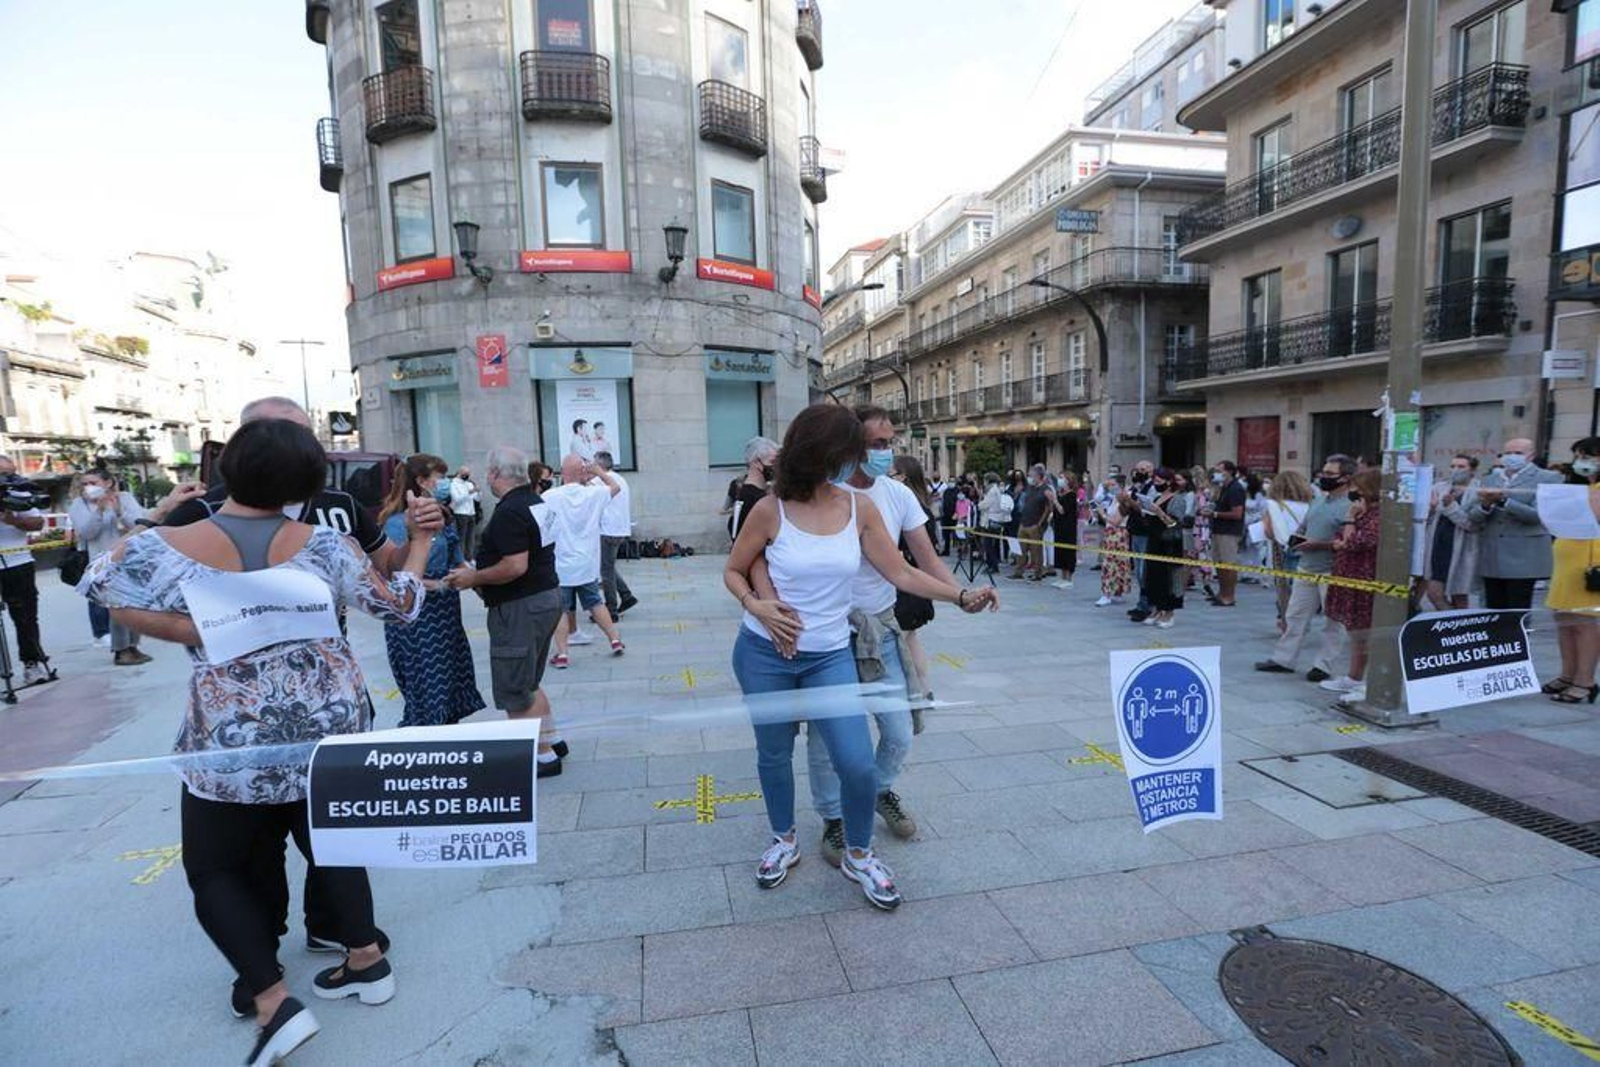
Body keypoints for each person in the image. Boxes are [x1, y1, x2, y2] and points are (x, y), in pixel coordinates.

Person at [84, 418, 429, 1066]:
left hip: (232, 736)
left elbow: (103, 587)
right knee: (334, 842)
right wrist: (420, 545)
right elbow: (400, 606)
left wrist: (191, 629)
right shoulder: (327, 546)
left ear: (229, 470)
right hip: (330, 722)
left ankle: (272, 1000)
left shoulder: (166, 544)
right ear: (308, 483)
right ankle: (365, 958)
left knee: (215, 867)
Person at [725, 403, 998, 910]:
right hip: (765, 652)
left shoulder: (860, 509)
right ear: (818, 453)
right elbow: (735, 569)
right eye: (849, 452)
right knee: (774, 753)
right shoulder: (771, 509)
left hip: (828, 655)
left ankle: (859, 853)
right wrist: (756, 605)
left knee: (856, 763)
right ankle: (783, 839)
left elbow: (902, 572)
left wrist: (960, 596)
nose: (857, 462)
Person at [795, 407, 957, 863]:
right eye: (876, 444)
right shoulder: (824, 494)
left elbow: (924, 559)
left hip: (882, 629)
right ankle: (834, 819)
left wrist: (962, 595)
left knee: (899, 731)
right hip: (831, 634)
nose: (885, 452)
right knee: (825, 738)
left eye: (890, 443)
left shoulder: (897, 494)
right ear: (851, 446)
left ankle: (877, 791)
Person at [444, 446, 569, 776]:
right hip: (544, 597)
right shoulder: (535, 502)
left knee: (515, 687)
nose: (486, 477)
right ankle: (551, 740)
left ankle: (541, 757)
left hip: (520, 606)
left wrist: (474, 577)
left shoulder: (510, 511)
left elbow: (515, 565)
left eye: (488, 471)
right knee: (529, 681)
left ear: (495, 474)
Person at [377, 454, 485, 727]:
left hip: (446, 614)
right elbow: (393, 578)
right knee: (426, 687)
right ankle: (424, 742)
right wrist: (437, 585)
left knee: (451, 684)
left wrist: (472, 577)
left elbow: (458, 559)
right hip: (416, 618)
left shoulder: (443, 517)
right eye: (440, 477)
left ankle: (448, 737)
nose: (444, 483)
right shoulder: (396, 523)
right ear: (422, 482)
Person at [1256, 455, 1354, 679]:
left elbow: (1348, 542)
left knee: (1333, 621)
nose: (1324, 477)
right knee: (1295, 616)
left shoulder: (1350, 506)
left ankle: (1323, 666)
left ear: (1346, 478)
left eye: (1330, 474)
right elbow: (1304, 526)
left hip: (1333, 571)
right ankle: (1284, 659)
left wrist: (1318, 544)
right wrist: (1297, 537)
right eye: (1324, 472)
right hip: (1306, 567)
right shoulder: (1318, 500)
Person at [545, 454, 625, 668]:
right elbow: (615, 487)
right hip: (587, 562)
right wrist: (599, 472)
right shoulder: (593, 494)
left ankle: (562, 653)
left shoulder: (550, 496)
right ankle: (615, 640)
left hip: (561, 564)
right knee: (595, 602)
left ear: (562, 472)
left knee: (561, 610)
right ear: (583, 471)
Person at [68, 469, 153, 665]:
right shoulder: (79, 504)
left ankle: (133, 646)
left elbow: (140, 525)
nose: (88, 487)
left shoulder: (124, 498)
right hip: (104, 562)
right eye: (84, 483)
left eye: (93, 482)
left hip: (132, 558)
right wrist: (99, 510)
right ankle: (121, 649)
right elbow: (86, 532)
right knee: (117, 605)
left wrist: (119, 511)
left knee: (135, 603)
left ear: (108, 483)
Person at [1468, 437, 1561, 609]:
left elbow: (1540, 515)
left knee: (1518, 607)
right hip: (1492, 554)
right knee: (1493, 607)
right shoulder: (1490, 479)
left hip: (1524, 554)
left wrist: (1504, 500)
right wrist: (1486, 505)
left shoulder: (1548, 478)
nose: (1511, 457)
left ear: (1531, 455)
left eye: (1518, 453)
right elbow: (1474, 516)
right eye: (1507, 453)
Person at [1545, 438, 1600, 704]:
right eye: (1578, 456)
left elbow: (1592, 514)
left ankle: (1585, 681)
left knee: (1584, 623)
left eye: (1587, 456)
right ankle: (1567, 674)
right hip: (1567, 561)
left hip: (1591, 562)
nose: (1581, 462)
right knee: (1564, 620)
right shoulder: (1578, 487)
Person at [1322, 470, 1383, 701]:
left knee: (1366, 632)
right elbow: (1341, 539)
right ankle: (1354, 677)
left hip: (1364, 579)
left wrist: (1349, 520)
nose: (1354, 492)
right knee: (1355, 632)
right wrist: (1345, 536)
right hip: (1348, 575)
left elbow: (1354, 542)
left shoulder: (1378, 515)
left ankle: (1371, 682)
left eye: (1358, 487)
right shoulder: (1363, 511)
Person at [0, 455, 51, 684]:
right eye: (3, 474)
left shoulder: (20, 492)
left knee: (26, 617)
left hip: (18, 562)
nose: (8, 478)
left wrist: (13, 520)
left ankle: (32, 663)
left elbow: (37, 523)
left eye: (11, 473)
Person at [1424, 455, 1482, 612]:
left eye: (1461, 466)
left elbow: (1472, 524)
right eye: (1453, 466)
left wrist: (1450, 507)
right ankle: (1451, 620)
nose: (1455, 470)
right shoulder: (1439, 487)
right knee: (1434, 593)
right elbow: (1427, 519)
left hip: (1462, 549)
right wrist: (1431, 509)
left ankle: (1459, 623)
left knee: (1459, 595)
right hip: (1438, 546)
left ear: (1472, 470)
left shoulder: (1478, 491)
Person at [1262, 471, 1314, 634]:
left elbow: (1269, 532)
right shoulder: (1311, 505)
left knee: (1284, 589)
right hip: (1306, 548)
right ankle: (1302, 622)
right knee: (1303, 589)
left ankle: (1286, 622)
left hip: (1282, 549)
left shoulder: (1274, 506)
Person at [1138, 467, 1188, 629]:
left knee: (1169, 578)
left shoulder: (1177, 499)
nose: (1156, 483)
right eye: (1155, 481)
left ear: (1168, 482)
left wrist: (1159, 512)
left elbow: (1174, 524)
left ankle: (1169, 612)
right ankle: (1156, 609)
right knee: (1154, 576)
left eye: (1159, 481)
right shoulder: (1157, 497)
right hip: (1154, 541)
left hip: (1169, 544)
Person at [592, 451, 638, 620]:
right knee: (608, 566)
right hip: (620, 530)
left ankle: (610, 609)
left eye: (594, 464)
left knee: (605, 571)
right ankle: (626, 595)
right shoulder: (620, 478)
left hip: (607, 531)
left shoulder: (600, 480)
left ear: (600, 466)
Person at [1121, 461, 1158, 621]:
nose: (1138, 472)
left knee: (1144, 570)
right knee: (1138, 570)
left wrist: (1130, 501)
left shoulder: (1152, 488)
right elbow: (1126, 510)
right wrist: (1123, 500)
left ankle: (1148, 605)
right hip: (1135, 530)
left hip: (1146, 532)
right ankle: (1142, 603)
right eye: (1137, 469)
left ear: (1150, 471)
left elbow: (1146, 510)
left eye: (1142, 470)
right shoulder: (1136, 487)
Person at [1206, 460, 1246, 605]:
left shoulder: (1236, 489)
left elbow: (1237, 513)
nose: (1216, 474)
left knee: (1228, 564)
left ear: (1229, 472)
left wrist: (1215, 514)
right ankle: (1222, 593)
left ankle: (1229, 596)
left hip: (1229, 532)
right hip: (1219, 529)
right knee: (1220, 563)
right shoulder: (1223, 487)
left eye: (1219, 471)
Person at [1009, 464, 1056, 580]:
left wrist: (1040, 523)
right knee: (1021, 549)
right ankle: (1018, 572)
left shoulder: (1046, 489)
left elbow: (1049, 508)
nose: (1030, 477)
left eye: (1032, 475)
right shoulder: (1030, 488)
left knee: (1036, 551)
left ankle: (1038, 573)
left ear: (1039, 476)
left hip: (1035, 524)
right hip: (1024, 522)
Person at [731, 437, 778, 542]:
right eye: (772, 461)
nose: (775, 466)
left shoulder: (741, 490)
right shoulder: (755, 498)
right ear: (756, 462)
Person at [1095, 476, 1132, 606]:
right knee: (1112, 563)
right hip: (1111, 533)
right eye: (1109, 485)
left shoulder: (1125, 499)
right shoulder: (1114, 498)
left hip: (1118, 534)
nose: (1110, 488)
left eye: (1112, 485)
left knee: (1112, 564)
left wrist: (1102, 514)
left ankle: (1108, 593)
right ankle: (1115, 591)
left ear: (1120, 485)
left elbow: (1116, 521)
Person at [1050, 472, 1079, 590]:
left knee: (1068, 553)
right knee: (1060, 552)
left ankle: (1069, 579)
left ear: (1068, 480)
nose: (1060, 480)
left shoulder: (1071, 495)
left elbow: (1063, 510)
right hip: (1059, 528)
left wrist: (1055, 500)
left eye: (1062, 478)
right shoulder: (1061, 494)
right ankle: (1062, 577)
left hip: (1068, 529)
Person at [977, 472, 1009, 575]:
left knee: (989, 545)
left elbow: (985, 504)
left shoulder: (992, 491)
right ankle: (990, 564)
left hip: (991, 520)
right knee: (989, 544)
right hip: (991, 519)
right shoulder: (993, 490)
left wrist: (979, 504)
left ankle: (993, 566)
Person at [447, 466, 481, 558]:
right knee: (461, 537)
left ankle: (469, 557)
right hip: (460, 513)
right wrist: (469, 492)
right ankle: (460, 558)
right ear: (459, 473)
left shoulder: (469, 484)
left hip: (471, 513)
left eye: (468, 474)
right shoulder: (453, 484)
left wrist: (478, 492)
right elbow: (457, 499)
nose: (467, 476)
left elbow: (477, 499)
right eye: (465, 474)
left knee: (471, 538)